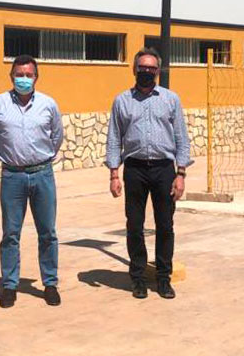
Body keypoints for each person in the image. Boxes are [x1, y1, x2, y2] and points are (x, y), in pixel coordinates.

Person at [105, 48, 191, 300]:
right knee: (134, 225)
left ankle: (163, 278)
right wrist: (113, 173)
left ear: (158, 71)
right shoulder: (122, 101)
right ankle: (139, 278)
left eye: (151, 69)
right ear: (134, 69)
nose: (146, 72)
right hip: (135, 170)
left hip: (164, 169)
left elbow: (181, 139)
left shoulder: (170, 99)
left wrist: (181, 173)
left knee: (165, 225)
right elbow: (114, 139)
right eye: (142, 68)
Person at [0, 54, 64, 308]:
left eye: (29, 75)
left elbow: (57, 137)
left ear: (36, 77)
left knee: (48, 232)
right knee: (10, 233)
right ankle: (9, 285)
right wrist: (5, 157)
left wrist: (43, 157)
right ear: (11, 76)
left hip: (42, 174)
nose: (24, 79)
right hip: (12, 176)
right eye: (19, 74)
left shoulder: (48, 104)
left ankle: (49, 283)